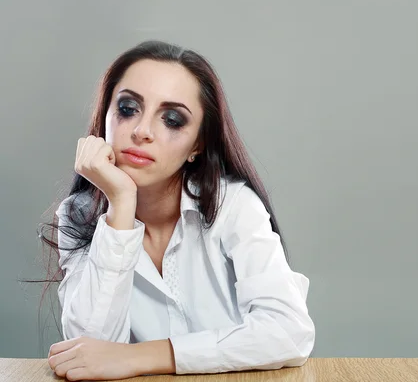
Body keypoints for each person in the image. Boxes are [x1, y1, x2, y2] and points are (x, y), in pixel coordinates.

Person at [40, 40, 315, 380]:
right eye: (127, 109)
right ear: (105, 118)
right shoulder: (79, 214)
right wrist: (121, 204)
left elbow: (289, 332)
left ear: (197, 145)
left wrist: (141, 356)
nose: (142, 131)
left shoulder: (234, 206)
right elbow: (89, 351)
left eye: (172, 120)